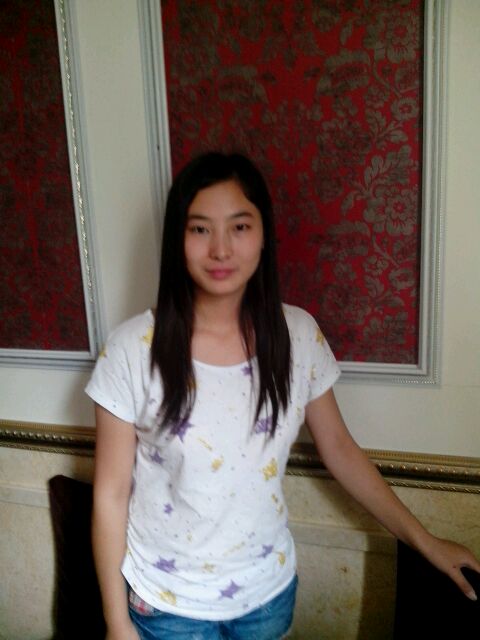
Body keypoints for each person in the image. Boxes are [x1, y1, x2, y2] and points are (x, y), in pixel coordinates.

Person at [87, 152, 480, 640]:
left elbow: (340, 450)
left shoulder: (298, 336)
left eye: (240, 226)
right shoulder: (130, 350)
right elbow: (110, 494)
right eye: (200, 229)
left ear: (263, 234)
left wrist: (425, 542)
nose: (221, 249)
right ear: (177, 239)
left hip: (267, 598)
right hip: (167, 605)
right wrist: (115, 621)